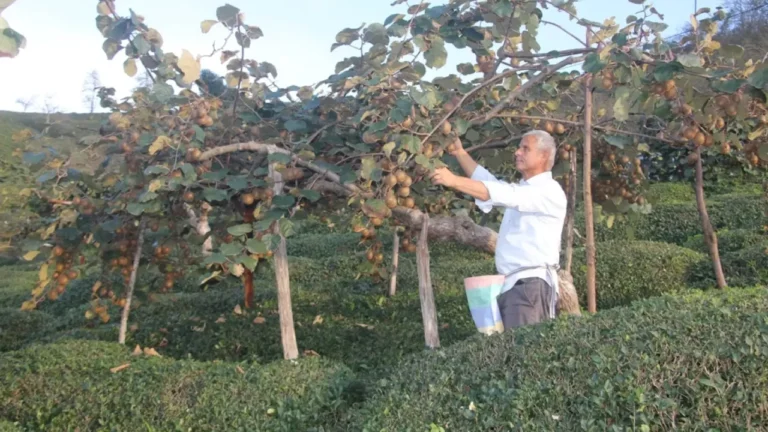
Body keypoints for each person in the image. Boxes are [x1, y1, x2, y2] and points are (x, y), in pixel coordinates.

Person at [429, 129, 567, 329]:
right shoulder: (525, 190)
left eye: (525, 148)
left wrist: (453, 181)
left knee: (523, 352)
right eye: (519, 147)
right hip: (514, 286)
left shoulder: (549, 191)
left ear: (544, 155)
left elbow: (500, 192)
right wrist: (460, 153)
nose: (517, 152)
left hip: (530, 287)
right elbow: (491, 184)